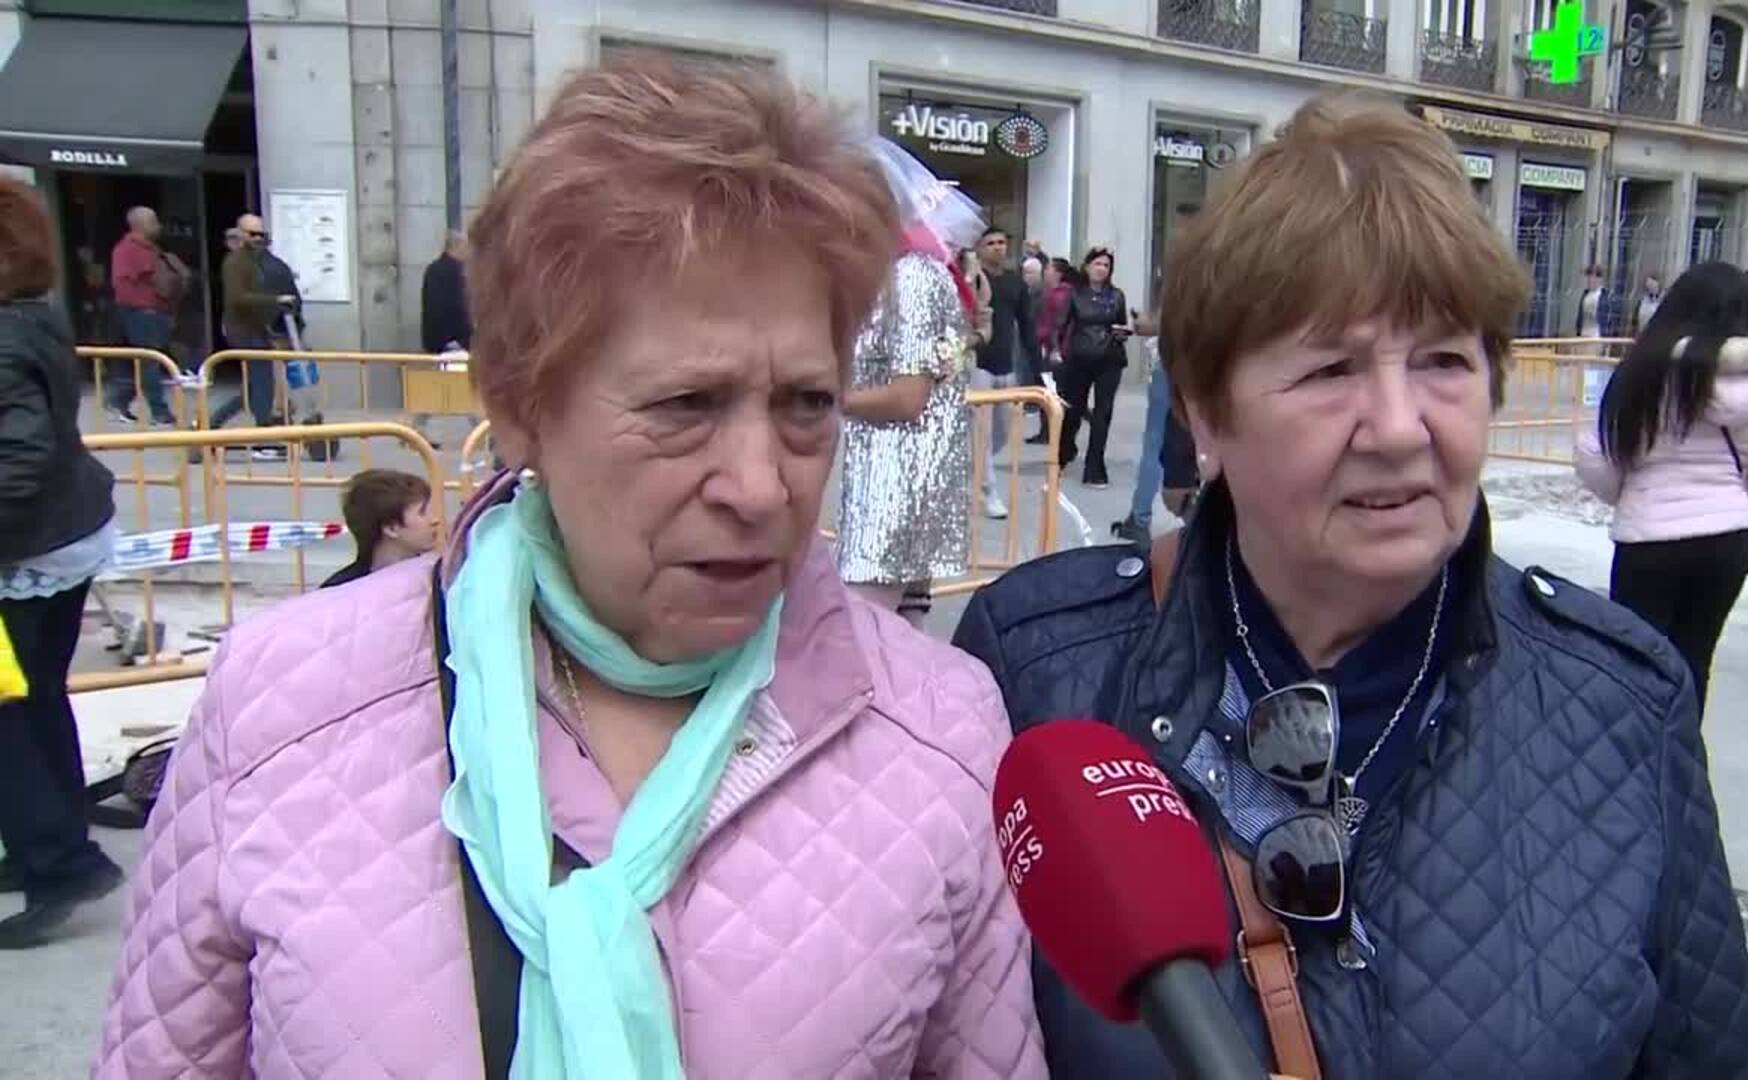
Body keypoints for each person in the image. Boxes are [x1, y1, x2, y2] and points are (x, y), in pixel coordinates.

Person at [96, 55, 1040, 1077]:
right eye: (687, 406)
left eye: (806, 405)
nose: (762, 487)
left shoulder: (942, 731)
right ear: (517, 407)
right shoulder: (282, 705)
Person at [953, 93, 1748, 1079]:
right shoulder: (1037, 667)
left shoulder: (1622, 701)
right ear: (1207, 414)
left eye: (1442, 362)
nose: (1396, 426)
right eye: (1331, 369)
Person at [1576, 262, 1748, 708]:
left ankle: (1634, 763)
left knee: (1634, 662)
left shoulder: (1641, 373)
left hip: (1646, 537)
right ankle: (1683, 762)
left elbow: (1596, 455)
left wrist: (1632, 494)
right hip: (1726, 542)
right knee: (1694, 658)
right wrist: (1736, 499)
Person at [0, 176, 124, 949]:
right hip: (60, 538)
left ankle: (60, 857)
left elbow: (19, 457)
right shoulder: (31, 320)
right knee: (37, 696)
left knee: (9, 713)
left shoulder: (6, 335)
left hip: (26, 548)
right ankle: (51, 839)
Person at [836, 138, 983, 628]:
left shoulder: (914, 277)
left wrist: (825, 400)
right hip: (891, 477)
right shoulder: (891, 275)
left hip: (898, 483)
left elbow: (907, 397)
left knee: (864, 636)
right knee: (901, 630)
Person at [208, 213, 289, 459]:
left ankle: (210, 426)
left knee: (256, 385)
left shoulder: (254, 261)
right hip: (242, 331)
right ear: (241, 234)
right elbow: (238, 298)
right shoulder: (235, 263)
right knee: (261, 383)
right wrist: (275, 300)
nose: (258, 238)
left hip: (255, 328)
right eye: (252, 234)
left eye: (261, 234)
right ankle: (263, 439)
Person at [973, 228, 1039, 519]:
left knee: (1003, 431)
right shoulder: (972, 279)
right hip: (977, 365)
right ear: (980, 247)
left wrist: (1039, 369)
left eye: (1002, 242)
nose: (998, 247)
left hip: (1006, 366)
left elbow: (1027, 326)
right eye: (991, 243)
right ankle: (989, 491)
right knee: (983, 433)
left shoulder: (1015, 283)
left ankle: (974, 464)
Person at [1055, 247, 1131, 486]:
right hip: (1080, 357)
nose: (1101, 269)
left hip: (1110, 358)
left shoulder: (1116, 295)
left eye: (1106, 265)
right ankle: (1063, 452)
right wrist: (1056, 351)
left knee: (1103, 413)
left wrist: (1122, 333)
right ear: (1087, 267)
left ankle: (1095, 465)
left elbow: (1121, 323)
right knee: (1073, 409)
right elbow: (1062, 324)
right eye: (1097, 264)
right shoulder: (1075, 294)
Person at [105, 206, 183, 426]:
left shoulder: (152, 249)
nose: (157, 226)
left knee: (145, 362)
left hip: (154, 312)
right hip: (141, 313)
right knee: (150, 362)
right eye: (153, 221)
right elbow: (122, 285)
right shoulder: (127, 250)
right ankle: (159, 412)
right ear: (139, 225)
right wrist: (145, 307)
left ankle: (118, 402)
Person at [320, 469, 438, 588]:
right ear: (391, 528)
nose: (435, 520)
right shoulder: (337, 593)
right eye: (422, 512)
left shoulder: (441, 578)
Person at [413, 230, 475, 447]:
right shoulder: (450, 272)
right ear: (455, 247)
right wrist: (454, 337)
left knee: (441, 385)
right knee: (465, 385)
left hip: (443, 339)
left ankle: (417, 427)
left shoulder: (438, 269)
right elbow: (451, 307)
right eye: (465, 246)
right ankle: (485, 432)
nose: (469, 251)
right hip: (451, 340)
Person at [1112, 308, 1164, 545]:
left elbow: (1153, 325)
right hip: (1210, 373)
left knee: (1155, 445)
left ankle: (1140, 519)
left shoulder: (1186, 281)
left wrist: (1140, 321)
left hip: (1174, 370)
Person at [1571, 263, 1611, 338]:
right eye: (1588, 277)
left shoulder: (1604, 296)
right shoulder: (1585, 295)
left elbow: (1607, 320)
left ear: (1599, 279)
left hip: (1596, 335)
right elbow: (1580, 316)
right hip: (1583, 334)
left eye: (1592, 277)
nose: (1589, 280)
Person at [1632, 270, 1664, 335]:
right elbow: (1634, 319)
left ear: (1657, 283)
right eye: (1648, 283)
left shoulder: (1663, 299)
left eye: (1651, 283)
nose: (1649, 285)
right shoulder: (1642, 300)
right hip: (1642, 332)